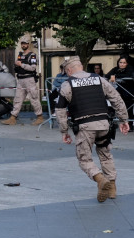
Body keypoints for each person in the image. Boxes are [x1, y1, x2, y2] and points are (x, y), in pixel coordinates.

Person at [56, 56, 130, 203]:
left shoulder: (67, 84)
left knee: (84, 158)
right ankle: (112, 188)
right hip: (104, 124)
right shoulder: (99, 79)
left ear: (69, 70)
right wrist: (124, 120)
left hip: (85, 127)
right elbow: (116, 98)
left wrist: (64, 131)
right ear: (81, 66)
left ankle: (100, 179)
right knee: (105, 153)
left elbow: (60, 110)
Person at [3, 37, 44, 125]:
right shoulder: (20, 55)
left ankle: (40, 117)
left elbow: (32, 68)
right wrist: (17, 65)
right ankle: (13, 118)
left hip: (29, 79)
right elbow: (17, 66)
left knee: (34, 98)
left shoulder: (32, 55)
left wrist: (21, 64)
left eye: (25, 43)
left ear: (28, 44)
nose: (23, 45)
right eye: (22, 43)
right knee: (17, 99)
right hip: (21, 79)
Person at [105, 55, 134, 125]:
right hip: (120, 89)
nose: (122, 64)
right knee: (112, 99)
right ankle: (112, 118)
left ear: (127, 64)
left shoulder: (130, 69)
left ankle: (130, 124)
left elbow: (130, 76)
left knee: (128, 106)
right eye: (120, 62)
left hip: (129, 90)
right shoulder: (115, 69)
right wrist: (112, 76)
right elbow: (107, 75)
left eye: (124, 63)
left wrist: (115, 76)